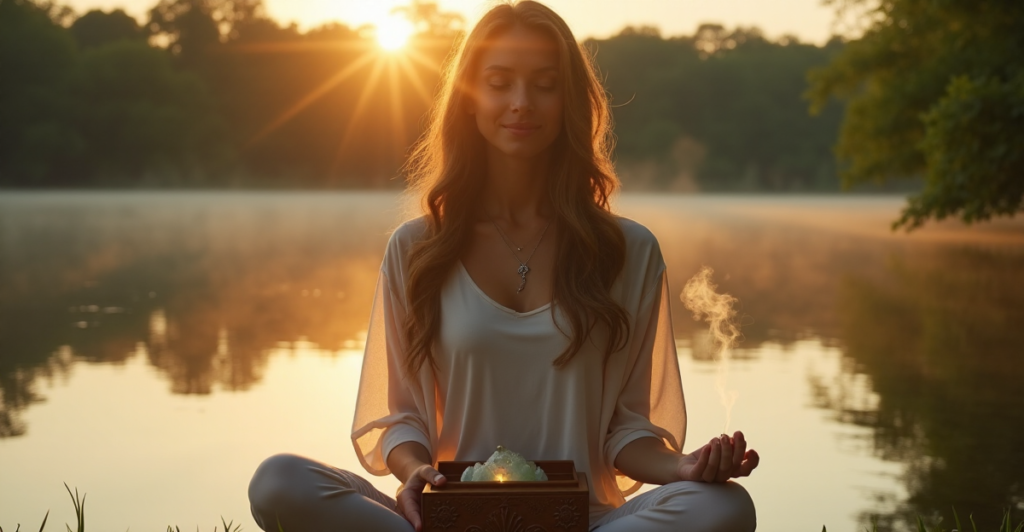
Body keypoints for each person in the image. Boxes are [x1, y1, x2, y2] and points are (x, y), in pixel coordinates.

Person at [247, 1, 759, 530]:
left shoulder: (628, 251)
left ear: (570, 103)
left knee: (723, 506)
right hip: (450, 516)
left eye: (544, 83)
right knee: (278, 481)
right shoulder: (417, 248)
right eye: (499, 82)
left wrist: (684, 465)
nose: (521, 103)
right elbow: (400, 418)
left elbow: (626, 431)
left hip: (582, 521)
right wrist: (415, 471)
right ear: (470, 97)